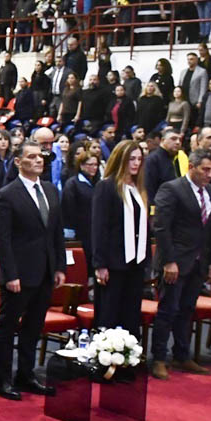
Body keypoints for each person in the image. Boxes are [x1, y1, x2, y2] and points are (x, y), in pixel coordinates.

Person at [0, 141, 64, 400]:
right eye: (31, 157)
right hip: (19, 274)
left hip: (45, 271)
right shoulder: (7, 194)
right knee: (7, 327)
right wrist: (11, 274)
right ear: (18, 162)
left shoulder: (50, 190)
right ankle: (2, 379)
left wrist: (59, 266)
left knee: (33, 327)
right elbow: (3, 240)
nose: (38, 160)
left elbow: (56, 232)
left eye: (40, 156)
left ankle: (26, 374)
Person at [150, 151, 211, 379]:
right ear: (191, 166)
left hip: (199, 261)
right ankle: (159, 358)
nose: (209, 174)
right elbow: (162, 227)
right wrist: (169, 261)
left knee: (187, 309)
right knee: (168, 310)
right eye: (205, 169)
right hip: (175, 261)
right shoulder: (172, 188)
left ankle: (182, 354)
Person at [91, 139, 149, 338]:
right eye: (131, 159)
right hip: (113, 262)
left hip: (135, 262)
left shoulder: (139, 188)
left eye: (139, 159)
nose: (136, 163)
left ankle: (129, 353)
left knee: (131, 315)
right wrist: (100, 264)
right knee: (110, 314)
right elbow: (99, 228)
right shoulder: (106, 187)